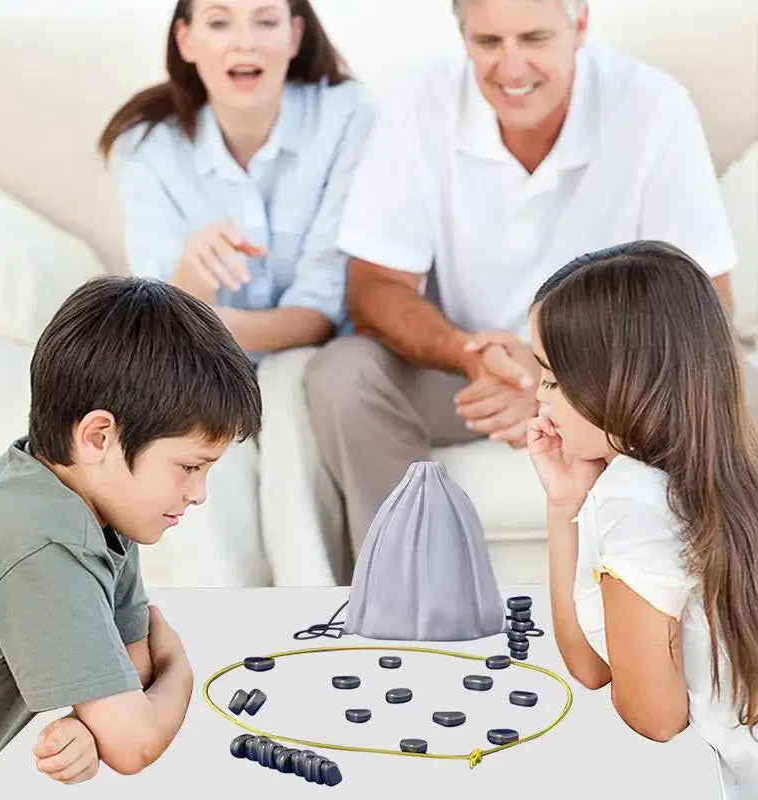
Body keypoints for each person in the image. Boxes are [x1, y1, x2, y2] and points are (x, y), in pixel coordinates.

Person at [303, 0, 737, 560]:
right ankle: (406, 581)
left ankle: (710, 594)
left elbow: (706, 302)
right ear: (463, 38)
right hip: (471, 373)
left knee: (735, 382)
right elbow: (374, 288)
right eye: (488, 43)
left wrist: (558, 382)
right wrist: (470, 355)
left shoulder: (651, 104)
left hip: (607, 375)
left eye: (533, 38)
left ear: (579, 25)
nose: (511, 69)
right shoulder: (419, 101)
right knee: (340, 376)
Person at [98, 0, 372, 586]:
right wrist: (192, 279)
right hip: (194, 355)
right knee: (190, 423)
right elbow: (158, 318)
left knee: (283, 390)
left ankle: (313, 613)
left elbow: (322, 310)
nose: (243, 43)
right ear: (187, 40)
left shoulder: (347, 115)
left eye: (265, 21)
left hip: (305, 353)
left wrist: (204, 320)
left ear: (296, 35)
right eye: (219, 22)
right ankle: (225, 631)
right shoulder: (146, 145)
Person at [0, 277, 262, 797]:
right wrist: (181, 671)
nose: (199, 494)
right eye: (189, 466)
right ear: (99, 436)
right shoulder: (40, 546)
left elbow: (133, 675)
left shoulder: (89, 503)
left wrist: (95, 721)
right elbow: (133, 741)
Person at [525, 240, 758, 797]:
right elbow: (591, 665)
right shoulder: (725, 469)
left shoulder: (634, 498)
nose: (540, 399)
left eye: (554, 380)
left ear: (620, 382)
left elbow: (655, 717)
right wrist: (567, 508)